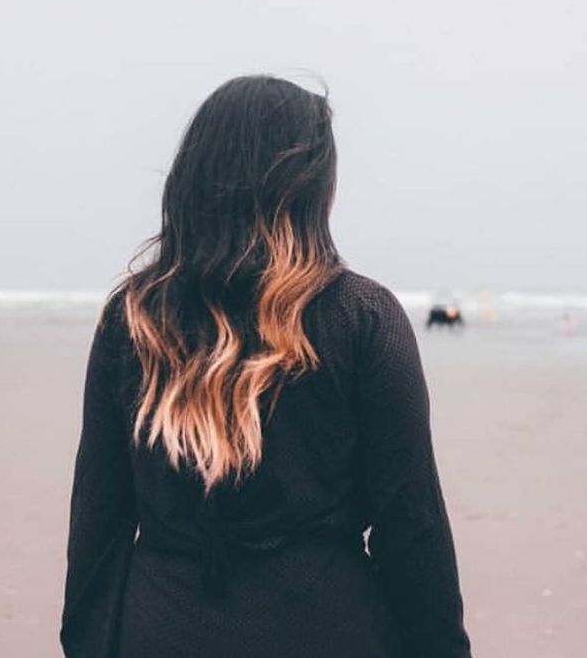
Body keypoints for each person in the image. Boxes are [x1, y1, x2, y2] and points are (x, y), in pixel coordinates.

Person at [60, 75, 472, 658]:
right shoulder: (362, 316)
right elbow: (412, 525)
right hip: (323, 627)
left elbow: (98, 520)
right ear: (309, 186)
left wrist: (85, 643)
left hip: (161, 627)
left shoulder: (134, 318)